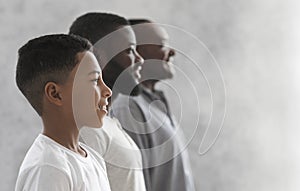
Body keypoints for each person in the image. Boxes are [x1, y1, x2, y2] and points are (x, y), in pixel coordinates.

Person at [15, 34, 112, 191]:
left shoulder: (93, 159)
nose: (107, 91)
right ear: (55, 94)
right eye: (94, 80)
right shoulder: (49, 167)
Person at [111, 19, 196, 191]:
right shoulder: (128, 108)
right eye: (162, 45)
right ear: (137, 51)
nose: (172, 52)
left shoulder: (153, 105)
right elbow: (135, 183)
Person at [68, 12, 146, 191]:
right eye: (129, 50)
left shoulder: (106, 124)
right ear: (95, 56)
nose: (140, 59)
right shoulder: (86, 130)